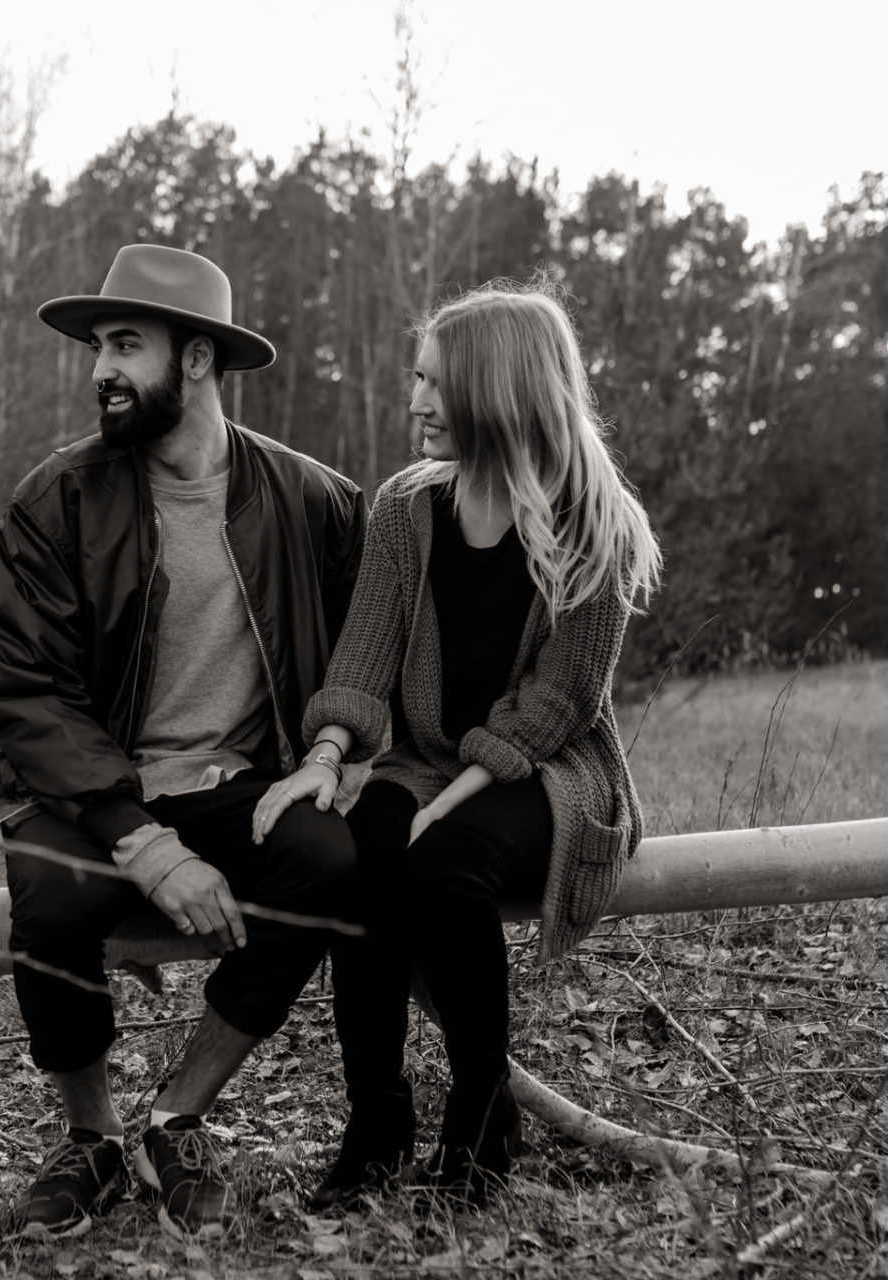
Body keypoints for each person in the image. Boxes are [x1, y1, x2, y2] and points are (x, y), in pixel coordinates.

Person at [0, 244, 367, 1241]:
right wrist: (142, 842)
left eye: (125, 343)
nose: (100, 366)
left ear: (195, 359)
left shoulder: (312, 498)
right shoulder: (57, 499)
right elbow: (25, 688)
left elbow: (373, 644)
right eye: (98, 344)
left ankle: (175, 1116)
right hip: (94, 790)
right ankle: (92, 1135)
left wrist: (332, 757)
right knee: (51, 891)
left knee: (326, 858)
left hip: (239, 781)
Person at [252, 280, 662, 1207]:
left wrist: (451, 795)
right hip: (427, 757)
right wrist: (324, 757)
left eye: (438, 384)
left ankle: (482, 1124)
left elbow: (564, 696)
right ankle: (376, 1122)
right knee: (358, 862)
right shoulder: (407, 508)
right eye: (417, 379)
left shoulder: (596, 524)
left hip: (551, 771)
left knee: (440, 867)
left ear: (498, 392)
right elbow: (364, 652)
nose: (417, 402)